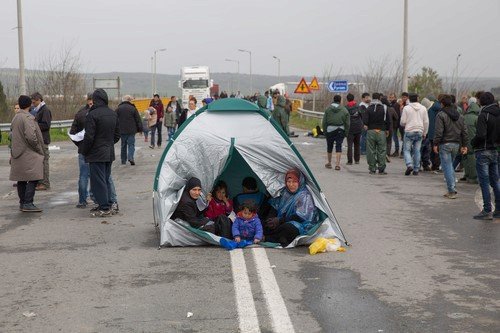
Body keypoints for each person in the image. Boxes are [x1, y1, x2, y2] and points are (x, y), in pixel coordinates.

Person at [81, 89, 120, 217]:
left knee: (98, 181)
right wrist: (108, 144)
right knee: (106, 179)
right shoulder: (113, 114)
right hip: (108, 152)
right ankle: (108, 203)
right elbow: (117, 135)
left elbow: (89, 136)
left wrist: (84, 150)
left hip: (96, 153)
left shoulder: (92, 114)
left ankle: (104, 207)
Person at [263, 169, 317, 247]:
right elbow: (275, 206)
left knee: (289, 228)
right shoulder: (285, 192)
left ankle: (268, 238)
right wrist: (270, 220)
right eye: (289, 182)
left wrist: (280, 220)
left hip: (299, 225)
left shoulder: (304, 196)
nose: (291, 185)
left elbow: (299, 217)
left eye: (294, 182)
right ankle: (279, 237)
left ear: (300, 182)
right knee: (263, 223)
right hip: (281, 222)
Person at [9, 95, 45, 212]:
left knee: (21, 179)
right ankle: (28, 202)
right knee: (34, 176)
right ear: (29, 104)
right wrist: (38, 148)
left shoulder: (16, 118)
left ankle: (22, 202)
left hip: (17, 152)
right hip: (28, 152)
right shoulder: (28, 118)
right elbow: (31, 136)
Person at [471, 92, 500, 219]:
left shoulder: (484, 115)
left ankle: (487, 210)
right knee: (495, 181)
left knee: (484, 182)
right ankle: (498, 209)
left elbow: (481, 135)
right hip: (495, 150)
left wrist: (473, 142)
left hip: (483, 150)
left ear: (482, 101)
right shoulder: (498, 114)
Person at [433, 95, 468, 199]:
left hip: (445, 143)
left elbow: (438, 131)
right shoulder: (460, 116)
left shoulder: (441, 115)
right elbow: (464, 132)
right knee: (450, 166)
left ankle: (451, 190)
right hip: (456, 144)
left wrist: (435, 143)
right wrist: (464, 145)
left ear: (442, 104)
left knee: (447, 167)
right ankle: (452, 187)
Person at [69, 93, 93, 208]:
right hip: (95, 150)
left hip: (83, 149)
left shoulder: (80, 113)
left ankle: (82, 200)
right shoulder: (98, 112)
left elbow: (72, 132)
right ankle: (95, 197)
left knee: (83, 176)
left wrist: (79, 144)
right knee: (95, 175)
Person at [400, 93, 429, 176]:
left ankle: (409, 165)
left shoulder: (406, 108)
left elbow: (402, 122)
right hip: (419, 131)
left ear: (409, 99)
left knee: (407, 150)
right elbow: (426, 122)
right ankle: (416, 169)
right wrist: (425, 133)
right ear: (418, 98)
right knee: (417, 150)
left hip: (409, 130)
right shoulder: (423, 108)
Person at [363, 92, 392, 174]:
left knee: (370, 150)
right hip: (381, 131)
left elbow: (365, 121)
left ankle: (372, 168)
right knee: (382, 150)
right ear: (380, 98)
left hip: (371, 131)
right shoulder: (384, 108)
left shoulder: (368, 108)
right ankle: (381, 168)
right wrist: (387, 130)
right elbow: (388, 121)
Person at [30, 92, 52, 190]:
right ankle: (40, 182)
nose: (33, 104)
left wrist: (34, 125)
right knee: (40, 162)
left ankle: (45, 183)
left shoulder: (45, 110)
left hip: (43, 140)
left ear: (39, 100)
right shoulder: (38, 110)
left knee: (44, 162)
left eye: (34, 102)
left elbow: (46, 125)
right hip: (40, 139)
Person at [322, 95, 350, 170]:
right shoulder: (344, 110)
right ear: (340, 101)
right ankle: (337, 164)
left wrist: (325, 131)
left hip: (330, 130)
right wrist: (346, 132)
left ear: (333, 100)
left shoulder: (328, 109)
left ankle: (329, 163)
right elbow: (347, 122)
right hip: (340, 130)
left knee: (329, 146)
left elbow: (324, 122)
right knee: (339, 146)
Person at [116, 95, 142, 165]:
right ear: (129, 100)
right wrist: (140, 129)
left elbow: (115, 119)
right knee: (131, 144)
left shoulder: (119, 108)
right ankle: (130, 157)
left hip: (122, 130)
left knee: (123, 145)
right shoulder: (133, 108)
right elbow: (138, 119)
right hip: (131, 130)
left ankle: (123, 160)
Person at [460, 97, 480, 184]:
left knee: (465, 157)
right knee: (472, 158)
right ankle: (473, 178)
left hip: (464, 140)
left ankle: (467, 175)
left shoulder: (464, 116)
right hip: (473, 141)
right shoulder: (477, 117)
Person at [346, 93, 363, 165]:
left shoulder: (346, 107)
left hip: (350, 128)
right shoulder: (358, 106)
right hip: (358, 127)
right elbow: (362, 116)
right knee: (357, 144)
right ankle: (357, 160)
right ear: (353, 98)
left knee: (349, 145)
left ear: (347, 99)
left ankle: (350, 161)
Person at [382, 96, 399, 162]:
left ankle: (382, 154)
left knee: (382, 142)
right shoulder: (391, 109)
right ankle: (387, 154)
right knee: (389, 141)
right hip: (390, 127)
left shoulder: (380, 108)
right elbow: (396, 117)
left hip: (381, 127)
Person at [388, 93, 402, 157]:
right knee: (394, 137)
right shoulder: (391, 104)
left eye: (392, 97)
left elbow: (396, 116)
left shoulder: (396, 105)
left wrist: (395, 124)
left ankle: (396, 150)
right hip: (393, 124)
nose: (391, 99)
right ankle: (396, 150)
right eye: (390, 97)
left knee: (395, 137)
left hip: (394, 124)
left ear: (395, 98)